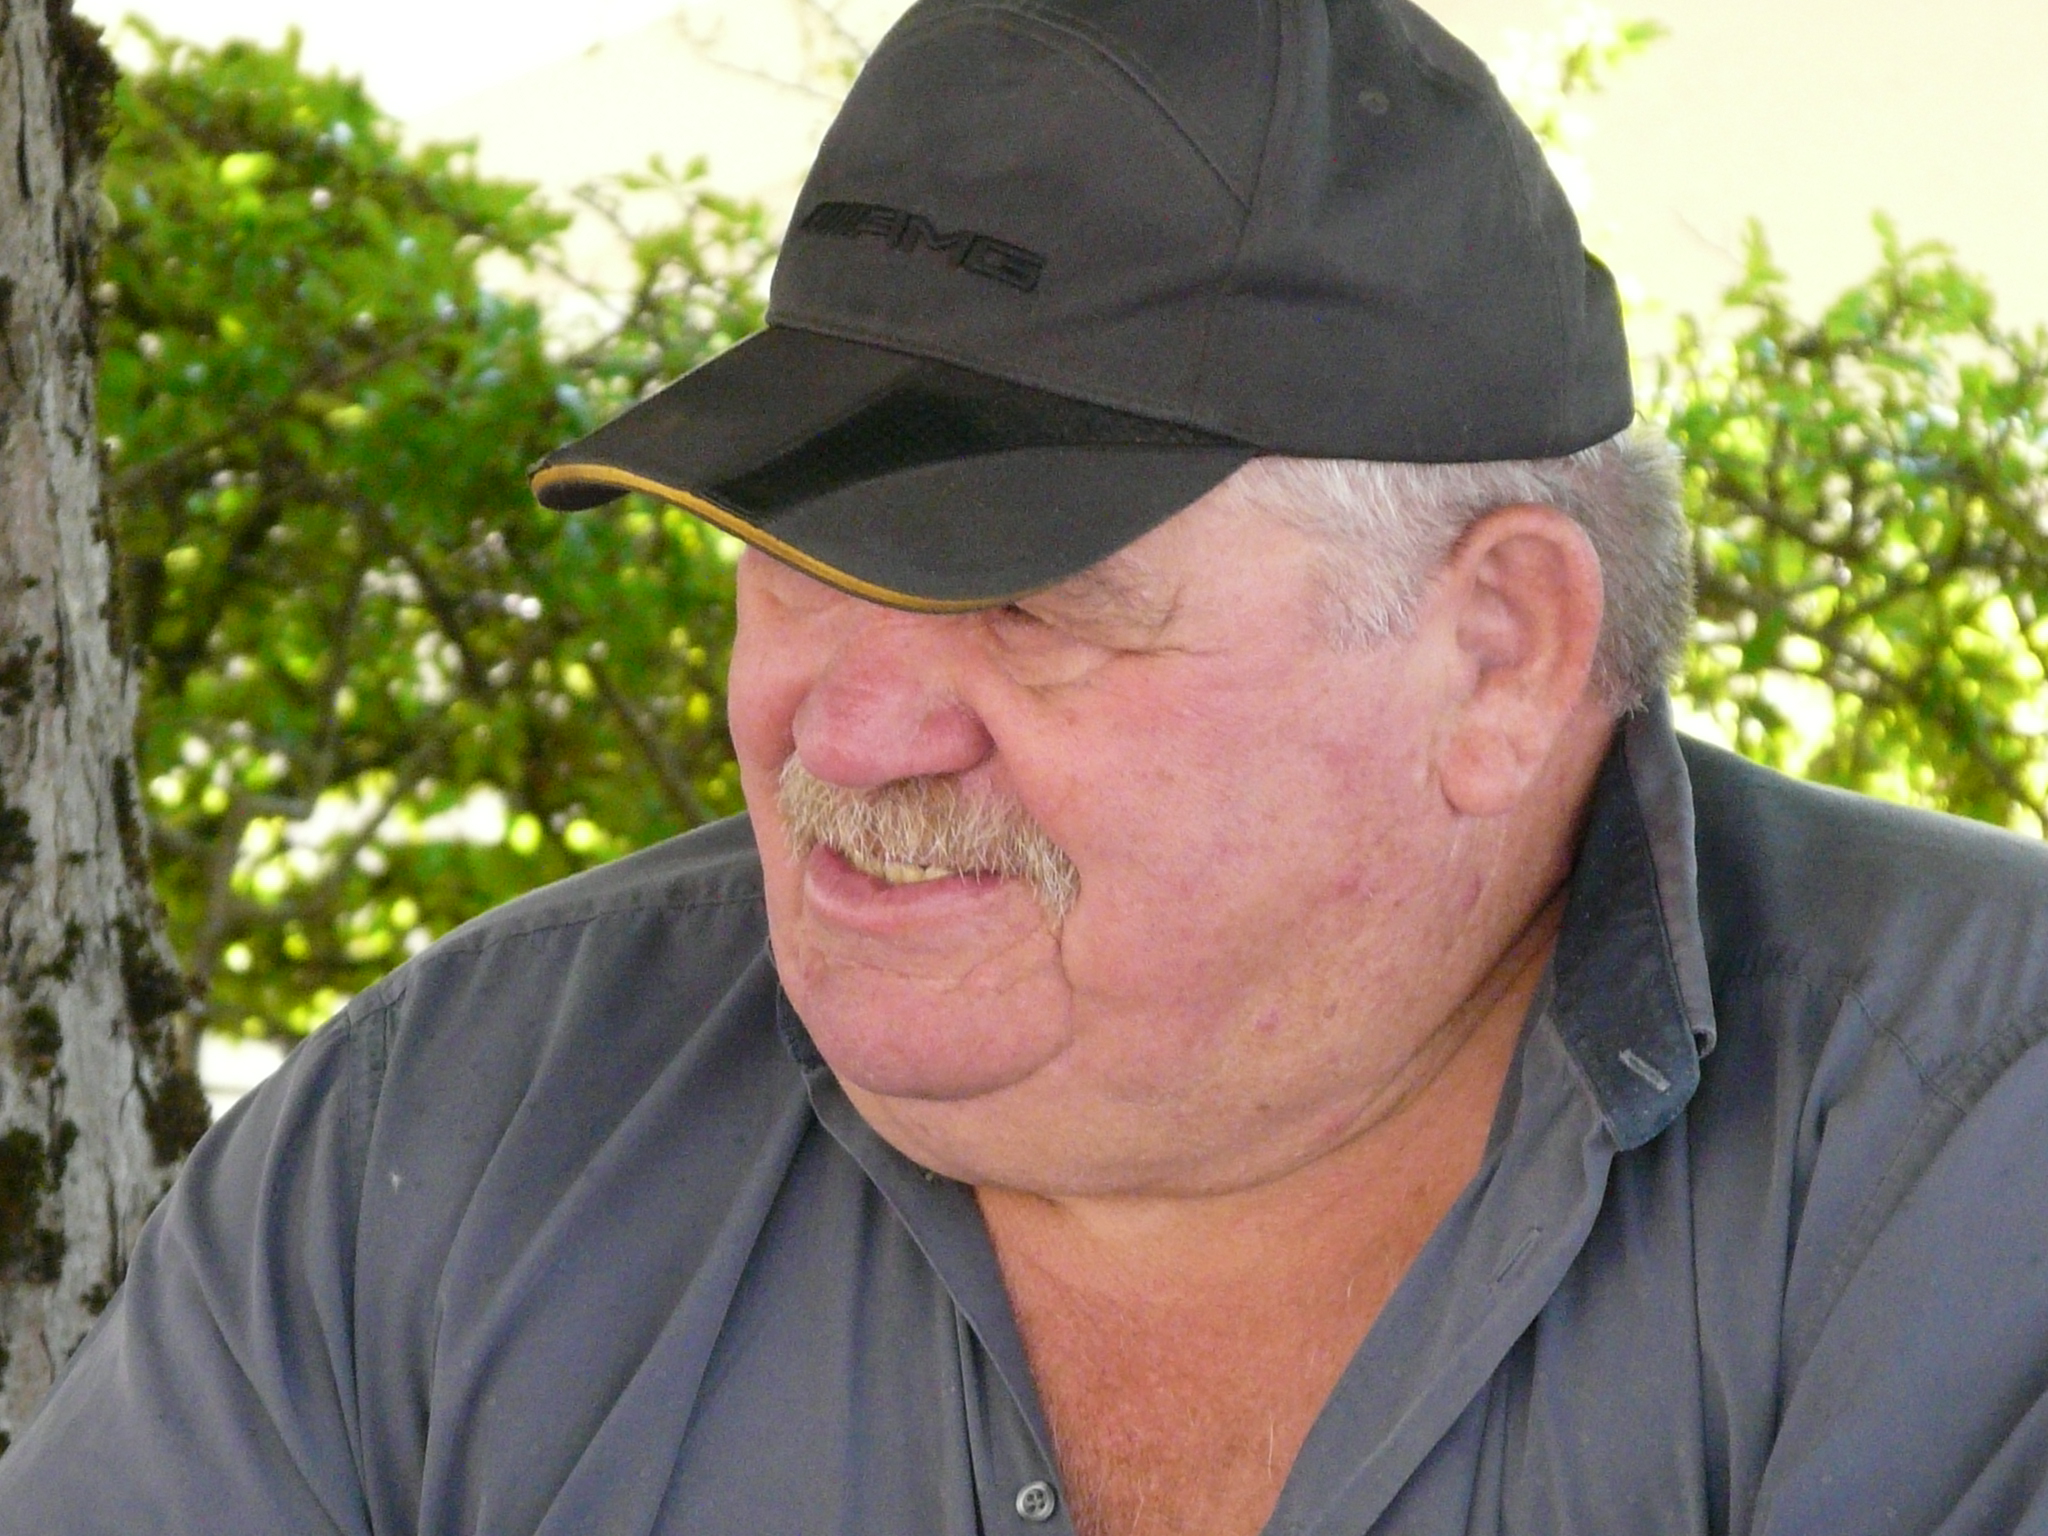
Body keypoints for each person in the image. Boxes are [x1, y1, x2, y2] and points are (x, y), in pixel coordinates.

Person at [6, 1, 2048, 1531]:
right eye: (788, 561)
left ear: (1497, 651)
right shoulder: (450, 1139)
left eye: (1032, 600)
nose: (848, 731)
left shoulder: (1976, 1164)